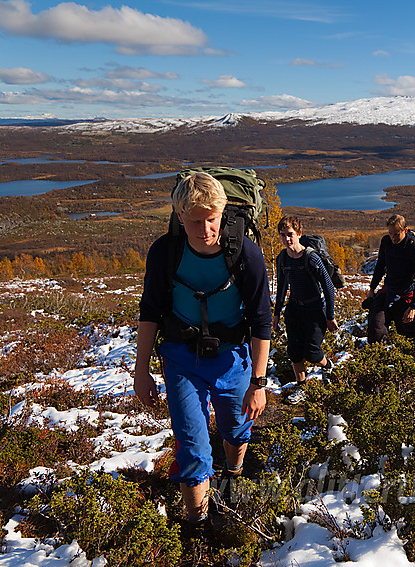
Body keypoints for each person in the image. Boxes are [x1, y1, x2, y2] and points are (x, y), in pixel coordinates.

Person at [133, 172, 271, 528]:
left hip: (233, 359)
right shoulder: (166, 253)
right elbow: (150, 312)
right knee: (193, 449)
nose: (206, 229)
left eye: (213, 219)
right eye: (196, 221)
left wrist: (259, 383)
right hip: (181, 358)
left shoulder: (245, 254)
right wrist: (141, 371)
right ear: (180, 216)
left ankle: (233, 473)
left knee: (237, 428)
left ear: (222, 213)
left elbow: (261, 321)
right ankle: (198, 525)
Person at [273, 216, 339, 405]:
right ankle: (302, 387)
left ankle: (327, 366)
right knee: (294, 352)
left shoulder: (311, 257)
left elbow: (328, 286)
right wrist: (277, 314)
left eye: (290, 234)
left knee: (312, 352)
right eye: (283, 235)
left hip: (314, 310)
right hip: (294, 309)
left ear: (299, 234)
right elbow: (282, 287)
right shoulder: (282, 258)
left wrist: (330, 316)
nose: (287, 239)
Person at [367, 214, 415, 342]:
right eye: (390, 233)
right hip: (389, 290)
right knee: (375, 327)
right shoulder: (386, 242)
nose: (393, 237)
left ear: (405, 231)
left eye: (396, 234)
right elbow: (380, 266)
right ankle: (377, 355)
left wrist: (413, 307)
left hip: (409, 294)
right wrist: (372, 288)